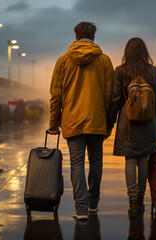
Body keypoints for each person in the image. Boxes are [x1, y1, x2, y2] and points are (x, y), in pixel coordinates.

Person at [48, 22, 114, 220]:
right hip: (97, 121)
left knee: (77, 165)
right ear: (93, 38)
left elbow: (55, 94)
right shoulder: (104, 60)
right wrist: (108, 123)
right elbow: (110, 95)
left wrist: (53, 122)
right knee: (96, 162)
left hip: (73, 121)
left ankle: (82, 209)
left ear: (76, 37)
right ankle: (93, 204)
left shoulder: (63, 61)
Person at [107, 37, 156, 218]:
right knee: (143, 158)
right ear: (144, 51)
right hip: (149, 120)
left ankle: (132, 201)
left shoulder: (121, 71)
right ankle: (140, 197)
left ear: (127, 52)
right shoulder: (153, 71)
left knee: (130, 159)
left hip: (128, 121)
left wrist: (110, 122)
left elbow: (115, 99)